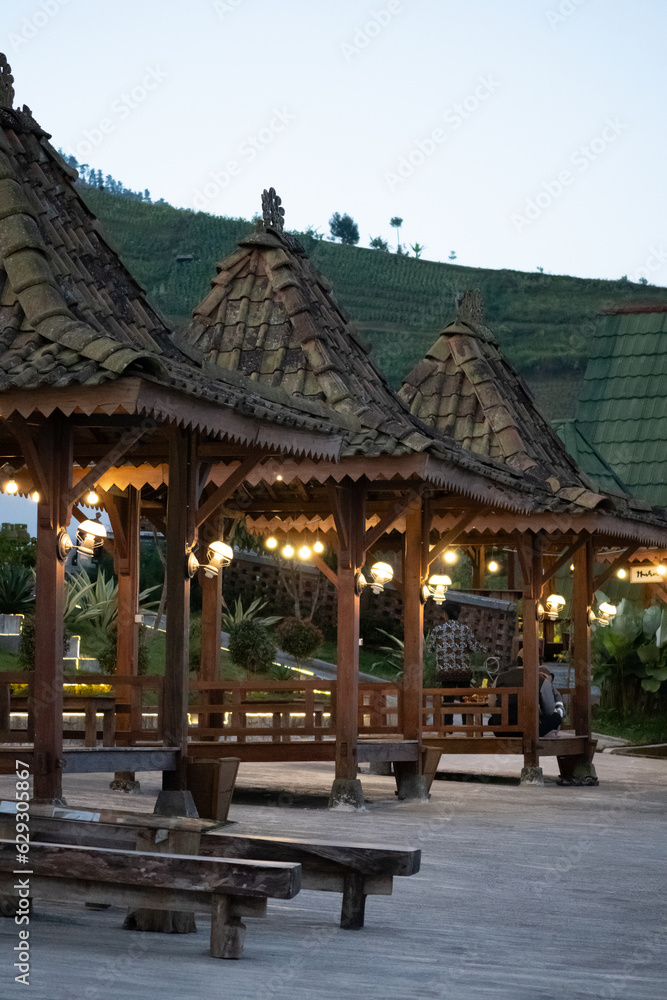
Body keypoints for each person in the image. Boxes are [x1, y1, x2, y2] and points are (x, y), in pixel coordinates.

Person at [427, 601, 486, 726]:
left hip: (445, 672)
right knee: (465, 699)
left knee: (448, 700)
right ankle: (466, 725)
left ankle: (448, 727)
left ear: (446, 614)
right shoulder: (465, 630)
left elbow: (430, 649)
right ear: (458, 615)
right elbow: (476, 648)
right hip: (463, 671)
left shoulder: (437, 630)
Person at [539, 665, 565, 738]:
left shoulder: (554, 691)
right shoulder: (542, 685)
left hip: (543, 717)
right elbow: (549, 710)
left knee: (556, 717)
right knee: (555, 718)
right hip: (539, 722)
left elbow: (555, 709)